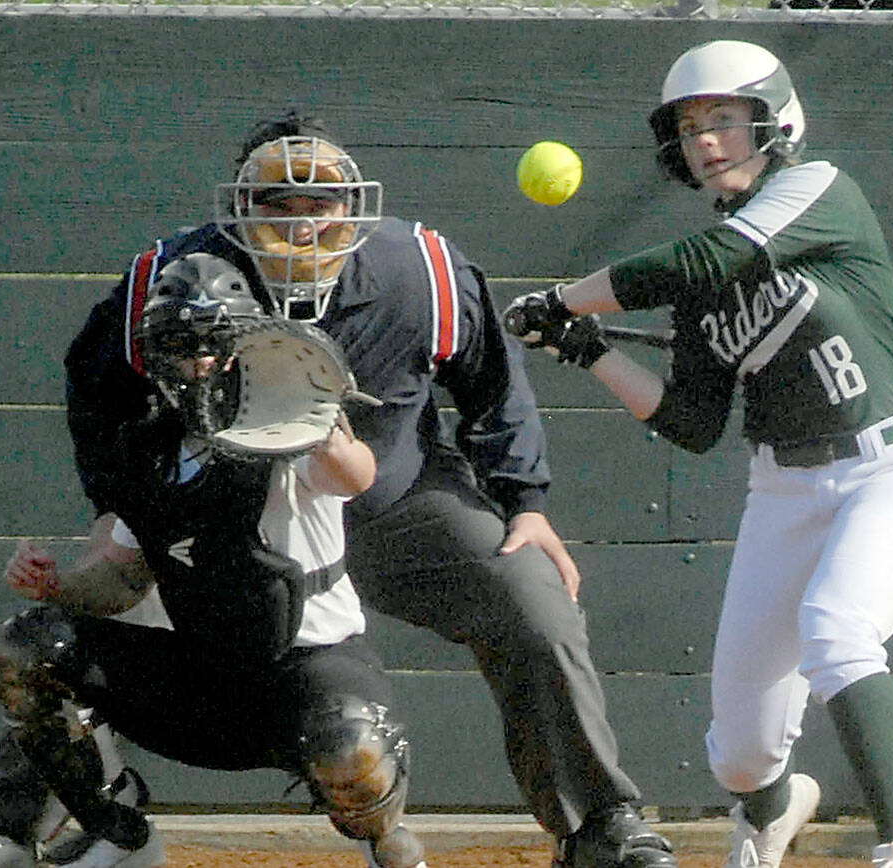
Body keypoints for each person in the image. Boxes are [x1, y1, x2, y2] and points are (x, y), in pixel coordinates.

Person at [59, 114, 678, 868]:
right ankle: (27, 819)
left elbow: (492, 383)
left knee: (531, 599)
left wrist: (526, 503)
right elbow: (96, 384)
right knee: (55, 635)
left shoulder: (418, 266)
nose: (299, 222)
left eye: (319, 204)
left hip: (394, 501)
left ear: (353, 208)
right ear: (239, 211)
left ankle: (598, 826)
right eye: (275, 204)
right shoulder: (182, 273)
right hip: (230, 515)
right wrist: (118, 506)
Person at [502, 40, 893, 868]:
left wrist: (562, 296)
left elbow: (714, 257)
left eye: (724, 119)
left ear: (775, 121)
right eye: (690, 128)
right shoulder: (703, 279)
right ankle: (778, 806)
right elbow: (690, 421)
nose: (706, 140)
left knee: (839, 631)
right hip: (784, 489)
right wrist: (586, 350)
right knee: (741, 756)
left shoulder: (818, 188)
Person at [0, 252, 429, 868]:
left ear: (242, 346)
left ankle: (387, 842)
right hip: (200, 670)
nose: (196, 362)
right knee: (32, 647)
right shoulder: (148, 446)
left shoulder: (285, 420)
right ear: (153, 354)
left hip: (308, 667)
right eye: (177, 344)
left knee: (352, 746)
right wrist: (56, 587)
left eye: (212, 343)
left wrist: (326, 424)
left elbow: (353, 477)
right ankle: (113, 829)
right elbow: (120, 577)